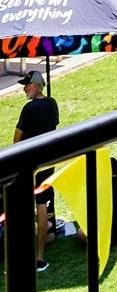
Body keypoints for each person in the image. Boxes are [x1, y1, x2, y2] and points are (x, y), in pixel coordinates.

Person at [13, 70, 59, 273]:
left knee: (35, 206)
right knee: (43, 203)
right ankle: (47, 234)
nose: (24, 89)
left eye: (26, 85)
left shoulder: (28, 109)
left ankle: (38, 258)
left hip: (30, 165)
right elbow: (53, 126)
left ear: (35, 86)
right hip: (49, 161)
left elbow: (17, 138)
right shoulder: (52, 103)